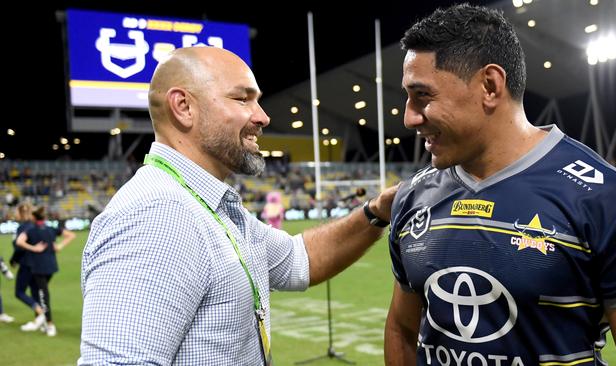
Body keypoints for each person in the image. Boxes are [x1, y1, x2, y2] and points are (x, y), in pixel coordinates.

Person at [78, 47, 397, 366]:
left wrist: (377, 211)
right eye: (242, 99)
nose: (262, 116)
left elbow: (299, 260)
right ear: (183, 106)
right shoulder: (158, 214)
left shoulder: (207, 203)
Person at [385, 4, 616, 366]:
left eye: (423, 96)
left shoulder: (607, 196)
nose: (409, 117)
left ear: (490, 86)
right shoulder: (412, 198)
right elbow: (402, 330)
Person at [15, 206, 76, 336]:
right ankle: (42, 321)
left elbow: (19, 241)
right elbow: (71, 235)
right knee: (38, 292)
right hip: (51, 267)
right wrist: (60, 246)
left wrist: (33, 248)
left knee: (43, 295)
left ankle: (49, 324)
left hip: (38, 268)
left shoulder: (31, 230)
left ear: (33, 217)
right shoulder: (50, 229)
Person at [10, 202, 41, 325]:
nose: (15, 214)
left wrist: (13, 260)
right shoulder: (34, 226)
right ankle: (40, 319)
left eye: (16, 212)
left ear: (21, 213)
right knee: (35, 291)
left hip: (26, 263)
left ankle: (40, 312)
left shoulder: (22, 228)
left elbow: (19, 247)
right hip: (37, 263)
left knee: (19, 292)